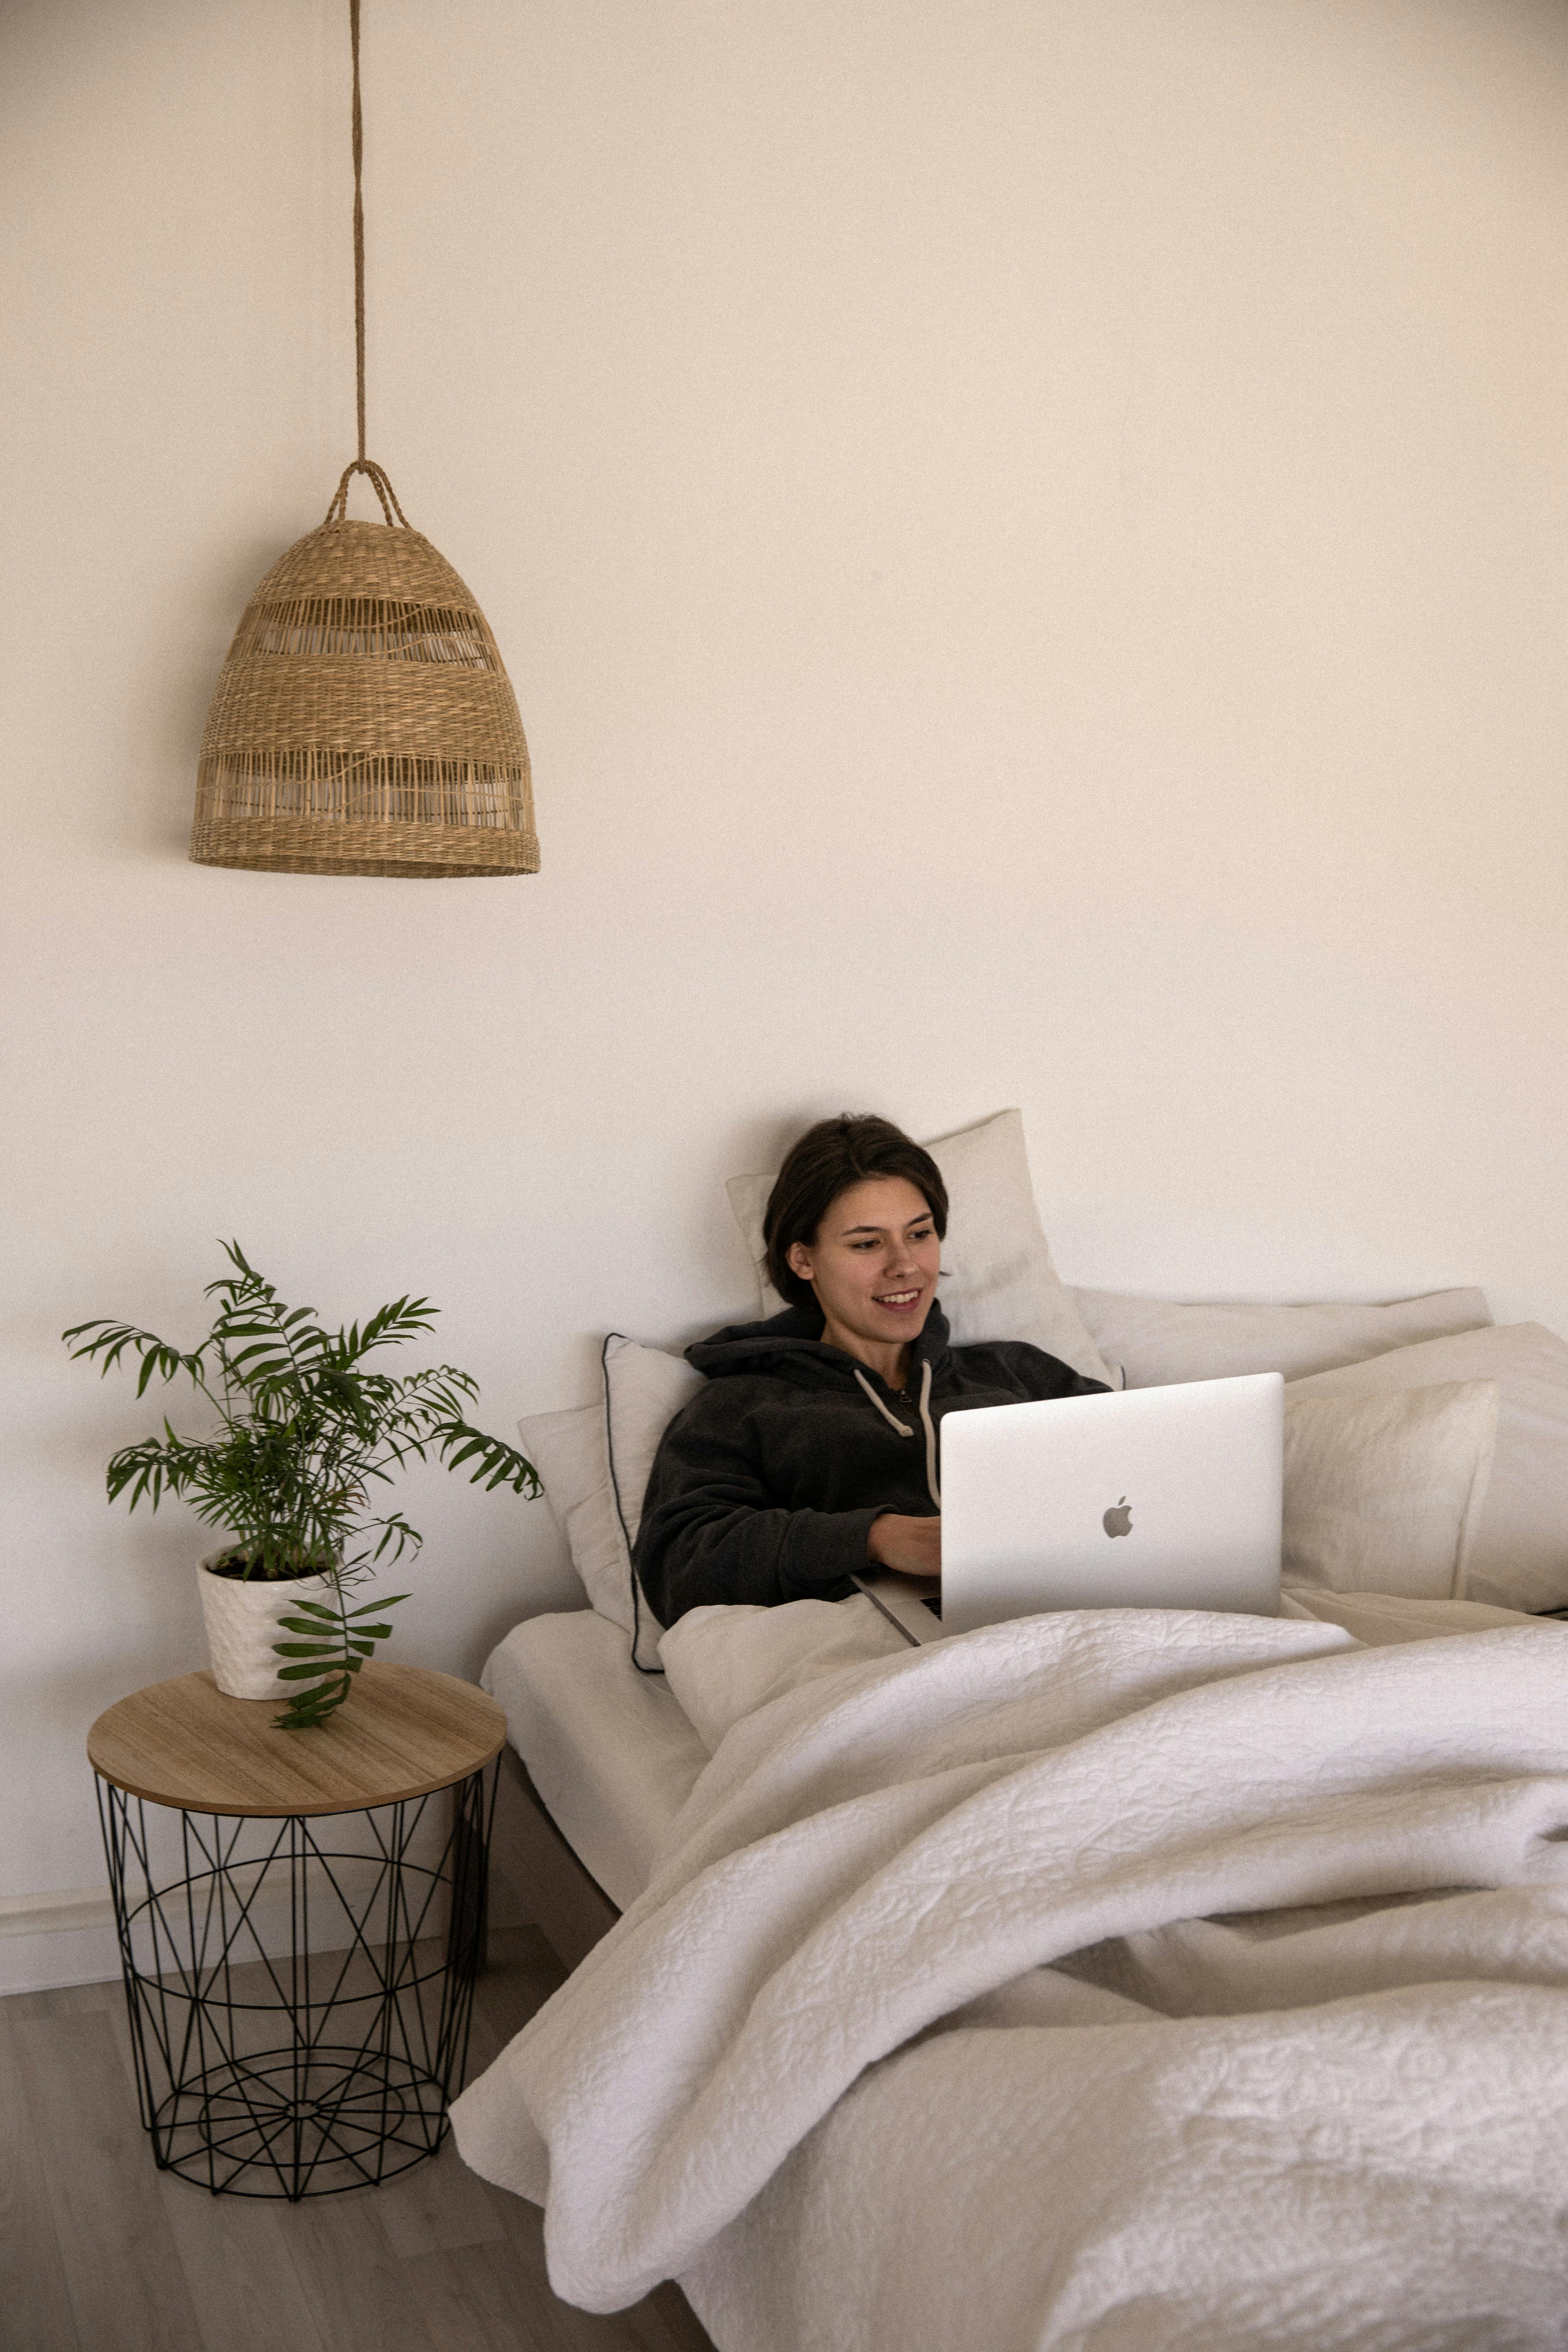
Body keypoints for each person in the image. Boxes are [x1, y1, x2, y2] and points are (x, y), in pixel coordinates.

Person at [635, 1113, 1108, 1624]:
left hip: (1076, 1615)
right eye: (867, 1243)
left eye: (920, 1234)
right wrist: (875, 1538)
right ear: (803, 1259)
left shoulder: (1019, 1373)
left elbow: (1148, 1475)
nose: (905, 1265)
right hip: (876, 1647)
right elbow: (679, 1567)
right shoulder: (741, 1406)